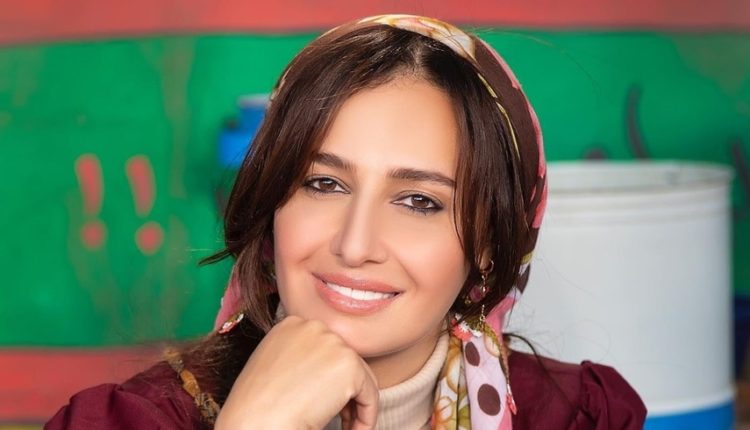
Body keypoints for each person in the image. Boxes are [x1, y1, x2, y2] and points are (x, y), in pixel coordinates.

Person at [46, 14, 646, 429]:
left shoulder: (575, 417)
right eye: (323, 183)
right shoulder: (130, 422)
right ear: (272, 206)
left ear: (489, 246)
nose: (355, 245)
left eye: (419, 201)